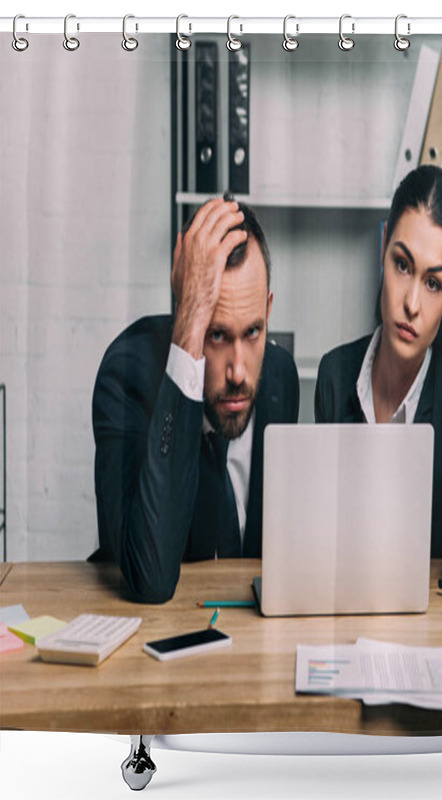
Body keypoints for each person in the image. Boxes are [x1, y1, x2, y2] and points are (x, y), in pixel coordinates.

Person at [91, 197, 299, 603]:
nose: (238, 372)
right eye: (217, 334)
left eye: (253, 332)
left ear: (268, 310)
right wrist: (190, 331)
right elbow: (150, 578)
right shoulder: (125, 376)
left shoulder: (279, 377)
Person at [314, 165, 442, 588]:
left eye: (433, 284)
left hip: (432, 631)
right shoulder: (336, 376)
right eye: (401, 265)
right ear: (383, 249)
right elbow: (326, 543)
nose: (411, 303)